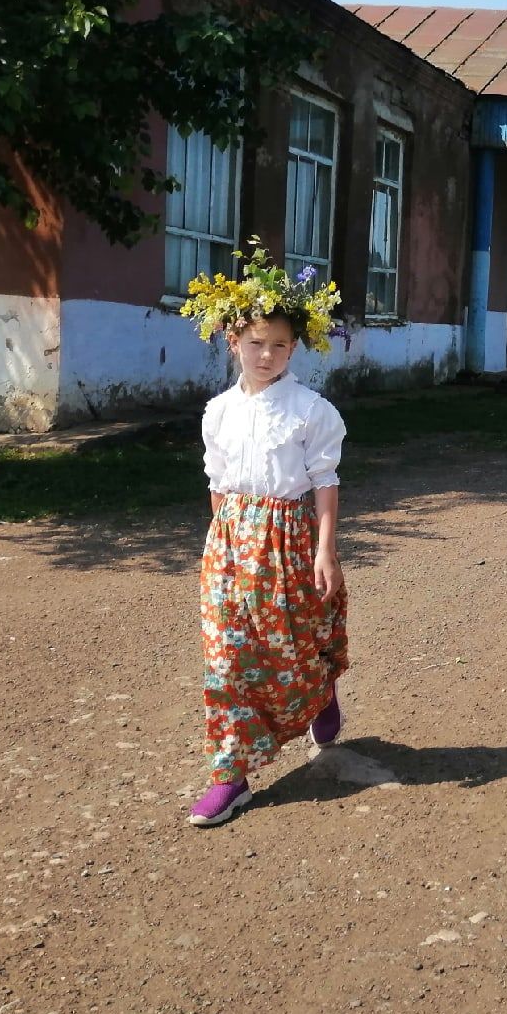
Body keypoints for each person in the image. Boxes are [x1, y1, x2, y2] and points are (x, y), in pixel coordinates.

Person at [179, 246, 349, 827]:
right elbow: (217, 485)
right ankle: (231, 773)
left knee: (294, 642)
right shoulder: (218, 412)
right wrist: (219, 547)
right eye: (256, 342)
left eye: (280, 344)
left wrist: (325, 550)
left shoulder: (310, 411)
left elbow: (324, 482)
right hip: (228, 544)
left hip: (289, 537)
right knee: (227, 658)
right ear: (233, 341)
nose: (267, 354)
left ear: (294, 347)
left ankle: (320, 691)